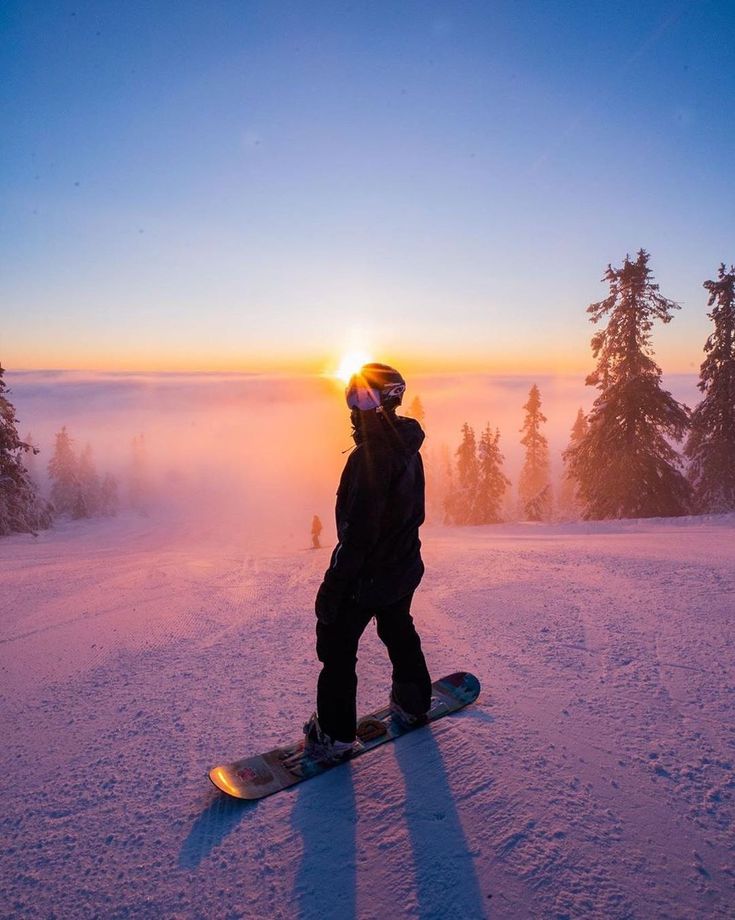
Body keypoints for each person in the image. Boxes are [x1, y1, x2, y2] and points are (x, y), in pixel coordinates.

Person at [303, 363, 432, 761]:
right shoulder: (407, 448)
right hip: (401, 570)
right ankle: (412, 703)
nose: (355, 407)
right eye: (352, 397)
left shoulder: (370, 458)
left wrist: (333, 588)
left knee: (337, 646)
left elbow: (358, 536)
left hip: (368, 578)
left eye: (364, 398)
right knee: (398, 629)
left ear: (387, 401)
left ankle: (335, 734)